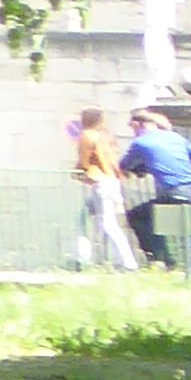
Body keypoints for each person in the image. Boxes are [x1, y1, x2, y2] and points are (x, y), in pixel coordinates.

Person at [117, 114, 191, 272]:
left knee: (138, 216)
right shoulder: (175, 137)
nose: (133, 131)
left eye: (132, 127)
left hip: (173, 192)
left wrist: (141, 168)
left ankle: (163, 259)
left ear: (139, 124)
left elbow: (125, 164)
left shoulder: (141, 142)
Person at [69, 112, 138, 273]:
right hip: (112, 182)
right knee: (82, 218)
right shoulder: (105, 136)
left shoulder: (87, 135)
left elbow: (84, 161)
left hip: (100, 183)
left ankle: (128, 263)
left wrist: (77, 172)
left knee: (108, 224)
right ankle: (82, 258)